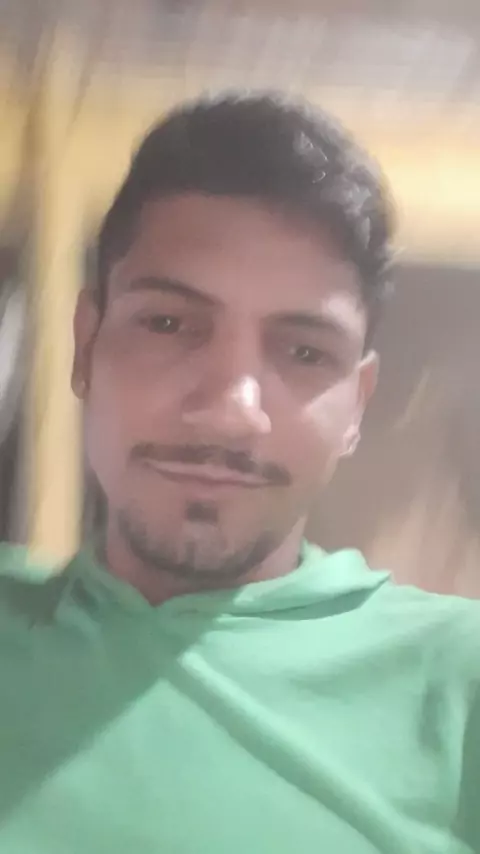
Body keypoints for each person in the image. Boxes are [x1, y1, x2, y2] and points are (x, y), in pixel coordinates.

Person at [0, 93, 478, 854]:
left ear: (356, 405)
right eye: (168, 323)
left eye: (304, 352)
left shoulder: (457, 681)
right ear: (86, 347)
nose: (230, 412)